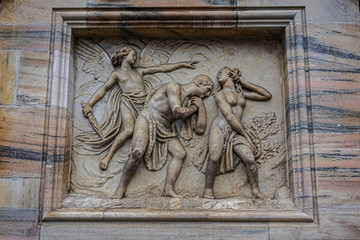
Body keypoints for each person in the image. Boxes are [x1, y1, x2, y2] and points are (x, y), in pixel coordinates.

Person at [82, 47, 197, 170]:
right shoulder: (117, 74)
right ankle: (108, 157)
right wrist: (90, 104)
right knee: (129, 130)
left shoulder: (139, 71)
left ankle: (143, 151)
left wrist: (182, 64)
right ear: (124, 56)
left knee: (147, 130)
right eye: (133, 55)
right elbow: (103, 89)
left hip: (144, 102)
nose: (135, 58)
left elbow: (161, 68)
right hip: (128, 102)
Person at [112, 74, 213, 198]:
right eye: (208, 90)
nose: (207, 94)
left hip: (165, 128)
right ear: (200, 83)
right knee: (137, 152)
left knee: (180, 153)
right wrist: (193, 108)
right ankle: (121, 188)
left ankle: (168, 189)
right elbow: (177, 110)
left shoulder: (190, 101)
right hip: (148, 118)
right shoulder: (174, 87)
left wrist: (201, 107)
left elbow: (200, 129)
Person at [204, 67, 271, 199]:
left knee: (250, 159)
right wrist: (246, 136)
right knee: (214, 157)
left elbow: (266, 95)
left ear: (230, 75)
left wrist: (243, 82)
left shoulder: (242, 95)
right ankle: (207, 191)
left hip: (236, 130)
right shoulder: (219, 94)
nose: (217, 75)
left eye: (221, 73)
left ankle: (256, 191)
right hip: (220, 127)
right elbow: (229, 116)